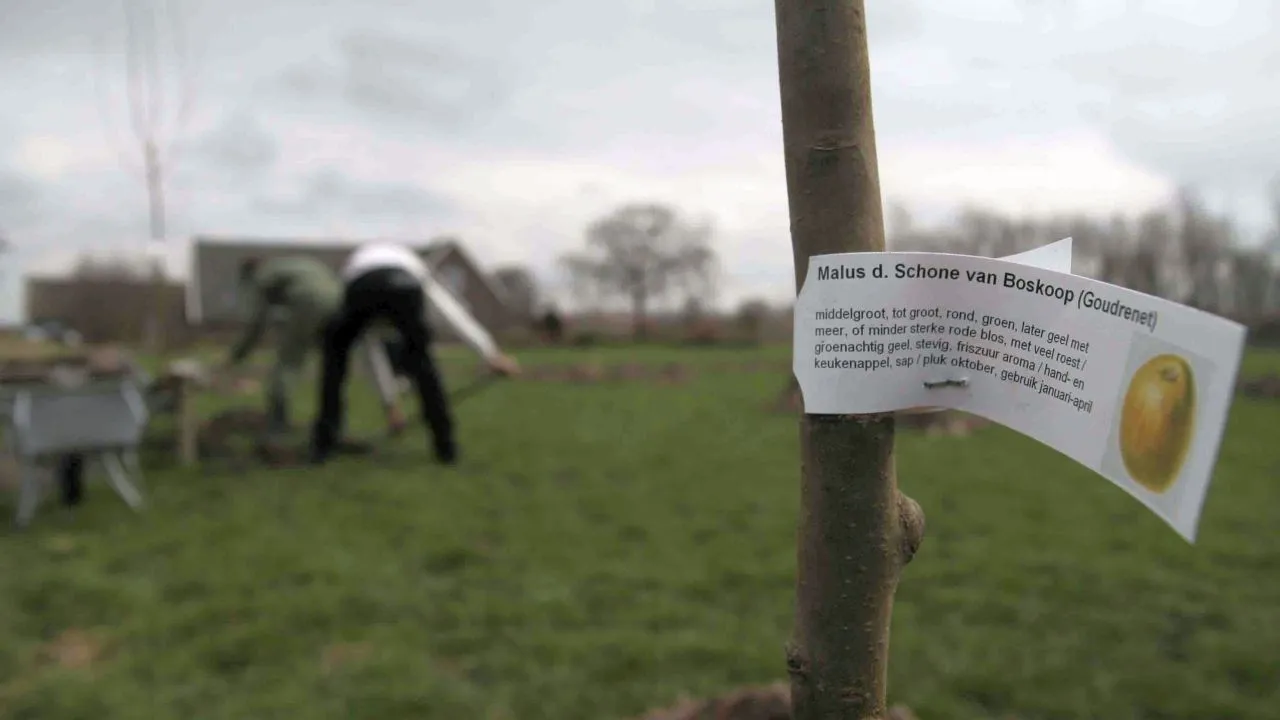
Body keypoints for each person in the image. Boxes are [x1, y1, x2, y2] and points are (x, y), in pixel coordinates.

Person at [309, 242, 521, 466]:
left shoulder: (357, 269)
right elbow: (451, 313)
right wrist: (491, 353)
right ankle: (446, 448)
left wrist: (390, 405)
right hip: (405, 287)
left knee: (335, 357)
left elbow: (372, 355)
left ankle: (323, 445)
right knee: (423, 362)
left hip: (362, 287)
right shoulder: (412, 267)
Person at [221, 255, 409, 438]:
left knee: (289, 361)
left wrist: (235, 356)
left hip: (307, 302)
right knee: (341, 361)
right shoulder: (293, 263)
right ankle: (388, 409)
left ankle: (278, 419)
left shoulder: (261, 278)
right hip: (339, 299)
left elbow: (256, 324)